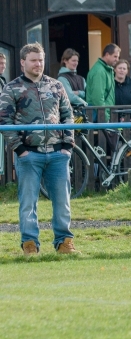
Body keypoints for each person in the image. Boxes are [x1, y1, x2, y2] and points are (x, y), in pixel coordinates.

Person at [0, 43, 78, 255]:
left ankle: (64, 242)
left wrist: (67, 146)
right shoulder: (12, 88)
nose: (38, 64)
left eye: (41, 60)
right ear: (23, 62)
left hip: (58, 154)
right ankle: (30, 244)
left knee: (62, 201)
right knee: (28, 203)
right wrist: (20, 150)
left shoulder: (56, 86)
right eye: (33, 60)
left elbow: (67, 116)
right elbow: (4, 121)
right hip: (29, 155)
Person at [85, 43, 120, 121]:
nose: (117, 59)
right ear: (107, 55)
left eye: (118, 57)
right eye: (115, 56)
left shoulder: (106, 70)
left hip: (103, 114)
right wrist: (106, 117)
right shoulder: (100, 71)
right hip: (101, 117)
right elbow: (97, 98)